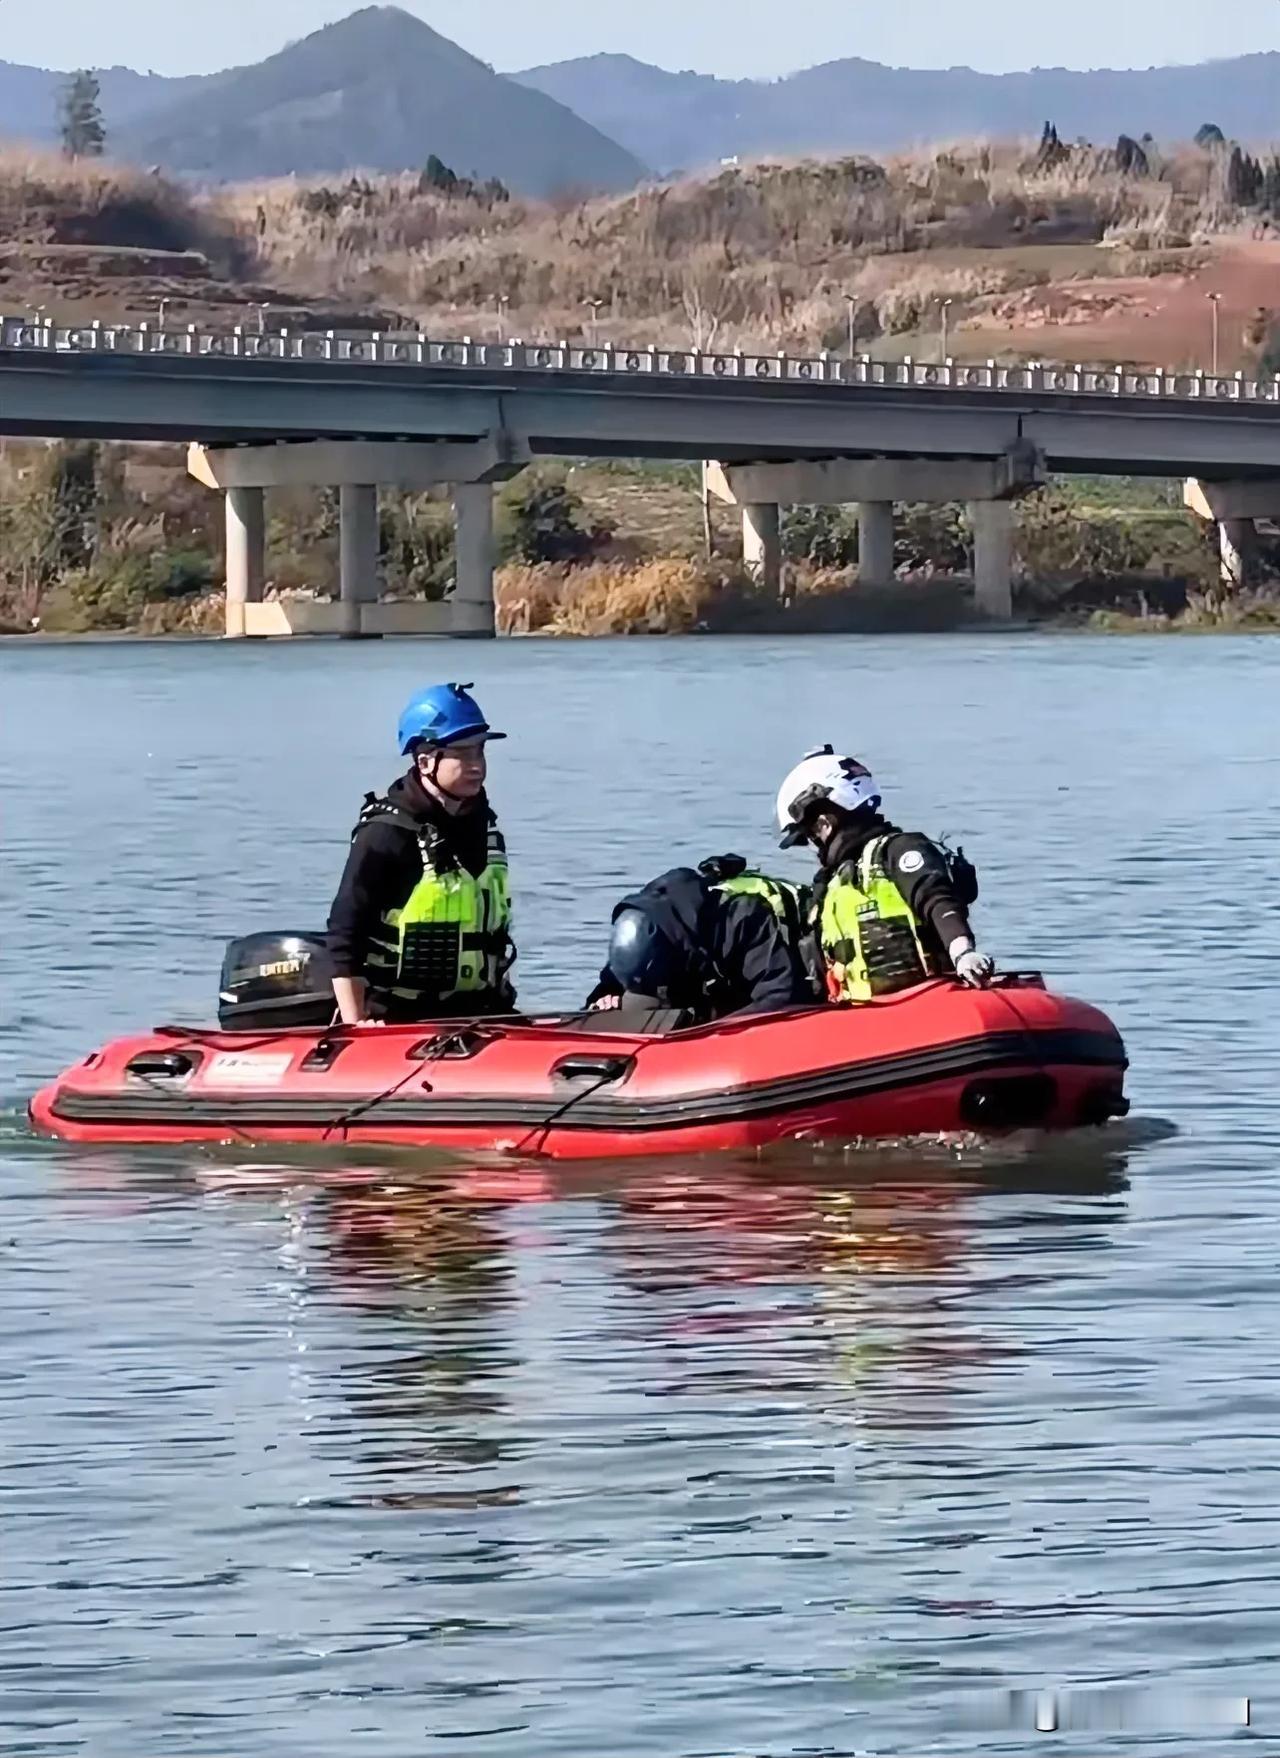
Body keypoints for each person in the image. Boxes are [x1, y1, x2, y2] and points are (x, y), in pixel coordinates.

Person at [327, 684, 515, 1025]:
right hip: (402, 1017)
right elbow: (344, 934)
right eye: (463, 754)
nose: (477, 765)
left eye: (480, 751)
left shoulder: (485, 828)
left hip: (483, 1011)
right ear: (425, 761)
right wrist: (356, 1027)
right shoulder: (387, 833)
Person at [775, 745, 995, 1002]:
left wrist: (962, 953)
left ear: (824, 823)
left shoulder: (898, 850)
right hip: (864, 1016)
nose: (814, 848)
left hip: (928, 1000)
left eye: (810, 836)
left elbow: (935, 898)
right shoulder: (830, 887)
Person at [587, 858, 817, 1024]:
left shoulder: (742, 921)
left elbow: (781, 994)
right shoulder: (639, 931)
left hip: (747, 995)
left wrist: (709, 1031)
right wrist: (602, 999)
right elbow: (613, 980)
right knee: (630, 1008)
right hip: (691, 980)